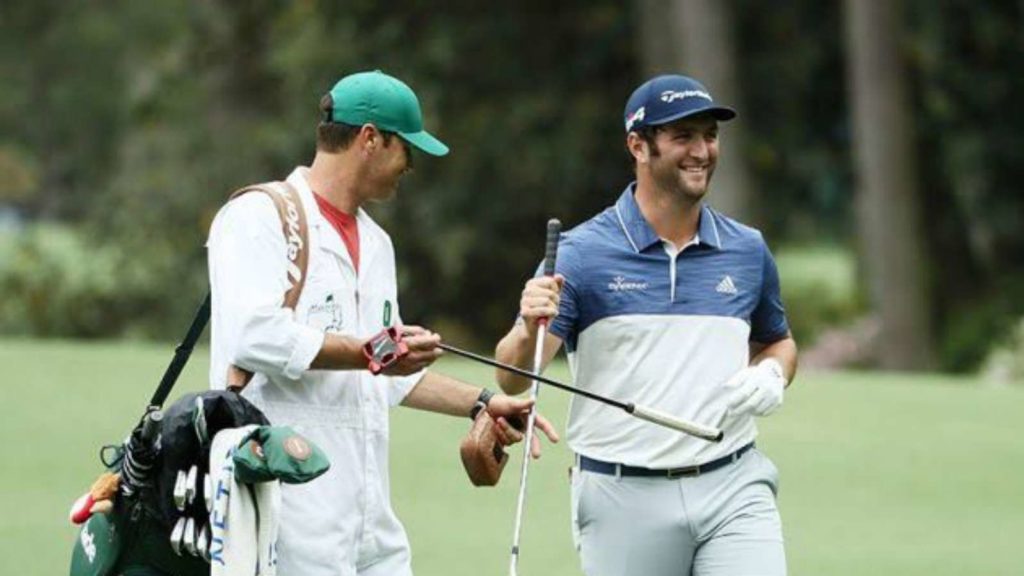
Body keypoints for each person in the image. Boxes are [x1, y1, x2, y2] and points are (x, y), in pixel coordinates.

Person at [207, 70, 557, 576]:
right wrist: (369, 353)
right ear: (370, 139)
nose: (410, 165)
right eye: (405, 148)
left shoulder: (377, 243)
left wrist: (481, 402)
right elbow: (252, 336)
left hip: (372, 521)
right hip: (285, 503)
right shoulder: (257, 217)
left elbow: (386, 376)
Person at [495, 74, 798, 576]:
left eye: (710, 135)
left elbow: (777, 342)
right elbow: (514, 377)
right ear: (638, 145)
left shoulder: (747, 249)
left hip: (734, 483)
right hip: (622, 495)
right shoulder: (581, 253)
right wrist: (529, 326)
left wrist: (772, 373)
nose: (702, 151)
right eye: (684, 137)